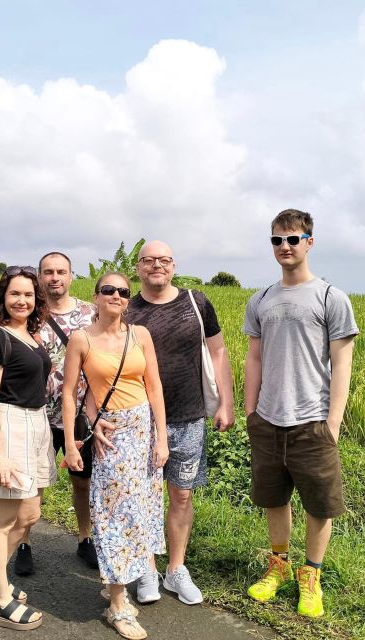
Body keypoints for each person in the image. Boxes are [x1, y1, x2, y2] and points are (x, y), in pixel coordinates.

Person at [242, 209, 358, 618]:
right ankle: (278, 566)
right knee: (274, 499)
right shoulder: (261, 299)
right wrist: (250, 410)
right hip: (268, 419)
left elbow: (341, 363)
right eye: (277, 240)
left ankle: (311, 575)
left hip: (313, 420)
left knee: (319, 504)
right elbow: (253, 358)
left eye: (293, 238)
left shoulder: (330, 298)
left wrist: (333, 423)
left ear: (310, 241)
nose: (285, 247)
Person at [121, 240, 235, 606]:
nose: (157, 265)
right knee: (145, 496)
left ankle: (176, 568)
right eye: (149, 260)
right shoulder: (126, 308)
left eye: (164, 260)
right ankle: (147, 568)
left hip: (189, 416)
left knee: (182, 494)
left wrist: (226, 403)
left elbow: (218, 352)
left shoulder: (195, 302)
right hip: (139, 419)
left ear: (174, 266)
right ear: (138, 267)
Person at [63, 272, 168, 640]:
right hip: (112, 437)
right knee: (115, 513)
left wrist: (161, 439)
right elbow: (71, 391)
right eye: (108, 290)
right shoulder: (81, 339)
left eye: (123, 292)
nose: (116, 296)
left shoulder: (140, 335)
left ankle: (117, 586)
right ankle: (118, 605)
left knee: (142, 510)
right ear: (96, 296)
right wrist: (73, 440)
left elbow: (153, 385)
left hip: (143, 432)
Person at [0, 266, 56, 631]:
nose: (21, 300)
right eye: (14, 294)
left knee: (28, 516)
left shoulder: (34, 335)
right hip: (9, 424)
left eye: (28, 294)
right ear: (3, 298)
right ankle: (0, 601)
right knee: (3, 520)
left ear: (37, 299)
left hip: (37, 424)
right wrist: (0, 453)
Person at [13, 252, 98, 575]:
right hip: (36, 414)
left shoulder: (91, 313)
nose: (54, 278)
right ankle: (24, 542)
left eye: (61, 271)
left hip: (81, 418)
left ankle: (84, 538)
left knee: (83, 482)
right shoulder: (28, 312)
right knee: (33, 483)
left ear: (71, 276)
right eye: (48, 272)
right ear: (39, 276)